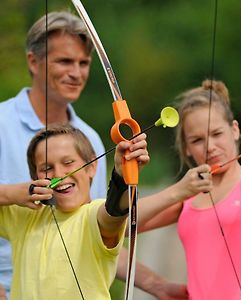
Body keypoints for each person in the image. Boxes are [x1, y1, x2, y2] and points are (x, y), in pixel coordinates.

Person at [0, 11, 188, 299]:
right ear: (33, 62)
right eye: (65, 61)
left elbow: (103, 223)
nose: (77, 73)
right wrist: (14, 193)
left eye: (84, 63)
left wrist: (122, 176)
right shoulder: (2, 122)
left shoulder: (90, 140)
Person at [136, 79, 241, 299]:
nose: (210, 147)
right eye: (196, 140)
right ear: (185, 149)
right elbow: (120, 225)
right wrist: (178, 191)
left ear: (234, 130)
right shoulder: (186, 198)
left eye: (217, 134)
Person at [0, 124, 149, 299]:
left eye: (68, 163)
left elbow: (114, 211)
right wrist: (10, 194)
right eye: (46, 168)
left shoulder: (93, 215)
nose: (59, 174)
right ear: (36, 178)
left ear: (92, 166)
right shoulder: (26, 214)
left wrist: (122, 176)